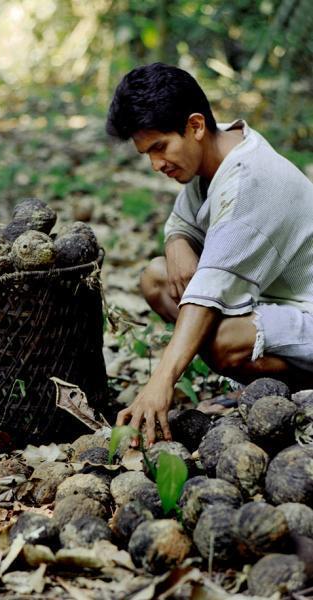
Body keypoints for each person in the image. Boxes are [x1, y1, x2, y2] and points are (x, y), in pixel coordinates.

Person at [106, 62, 313, 445]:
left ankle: (294, 391)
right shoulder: (214, 160)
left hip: (307, 310)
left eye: (160, 148)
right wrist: (176, 244)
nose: (155, 165)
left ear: (196, 126)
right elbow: (179, 225)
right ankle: (264, 387)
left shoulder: (249, 179)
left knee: (222, 338)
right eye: (146, 154)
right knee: (157, 277)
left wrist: (160, 382)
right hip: (273, 300)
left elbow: (208, 296)